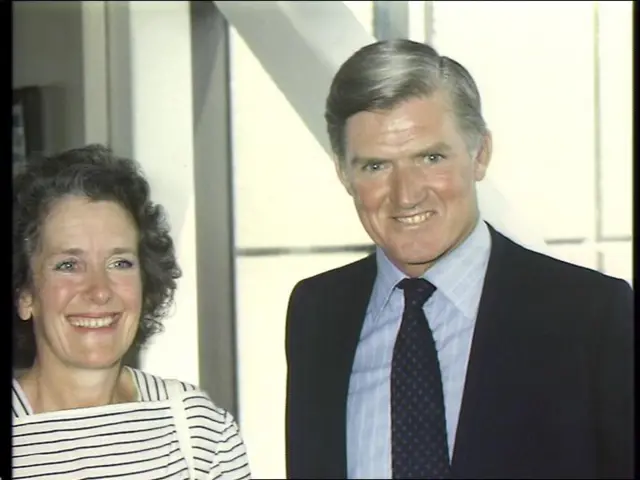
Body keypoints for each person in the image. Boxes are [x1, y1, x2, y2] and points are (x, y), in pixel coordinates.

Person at [284, 39, 633, 479]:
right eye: (376, 166)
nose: (406, 193)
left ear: (480, 154)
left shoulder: (589, 314)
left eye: (431, 157)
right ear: (343, 172)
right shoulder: (316, 311)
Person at [12, 144, 251, 480]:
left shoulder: (199, 432)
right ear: (25, 294)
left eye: (119, 263)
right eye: (68, 265)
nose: (99, 290)